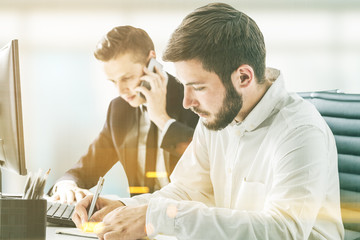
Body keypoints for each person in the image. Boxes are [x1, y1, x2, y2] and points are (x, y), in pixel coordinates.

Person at [72, 3, 344, 239]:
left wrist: (154, 217)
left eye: (198, 87)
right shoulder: (218, 118)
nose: (186, 102)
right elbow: (187, 191)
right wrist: (125, 206)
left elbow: (282, 231)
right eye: (184, 85)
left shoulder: (300, 132)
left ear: (243, 78)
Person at [50, 26, 198, 203]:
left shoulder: (193, 100)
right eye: (113, 81)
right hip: (138, 223)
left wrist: (161, 119)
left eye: (127, 78)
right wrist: (67, 185)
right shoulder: (120, 110)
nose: (120, 90)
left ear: (151, 62)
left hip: (187, 220)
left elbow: (207, 163)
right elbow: (86, 168)